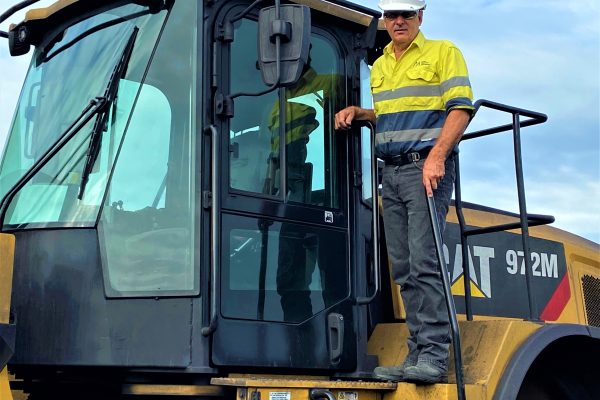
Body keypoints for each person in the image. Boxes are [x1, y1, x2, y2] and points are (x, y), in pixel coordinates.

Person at [335, 0, 474, 384]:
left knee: (425, 260)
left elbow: (460, 109)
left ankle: (434, 355)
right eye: (392, 15)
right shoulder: (380, 66)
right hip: (391, 174)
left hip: (425, 170)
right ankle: (416, 354)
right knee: (403, 266)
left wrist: (437, 157)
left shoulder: (443, 52)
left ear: (420, 17)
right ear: (385, 19)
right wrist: (362, 114)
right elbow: (397, 112)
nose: (398, 22)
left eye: (406, 15)